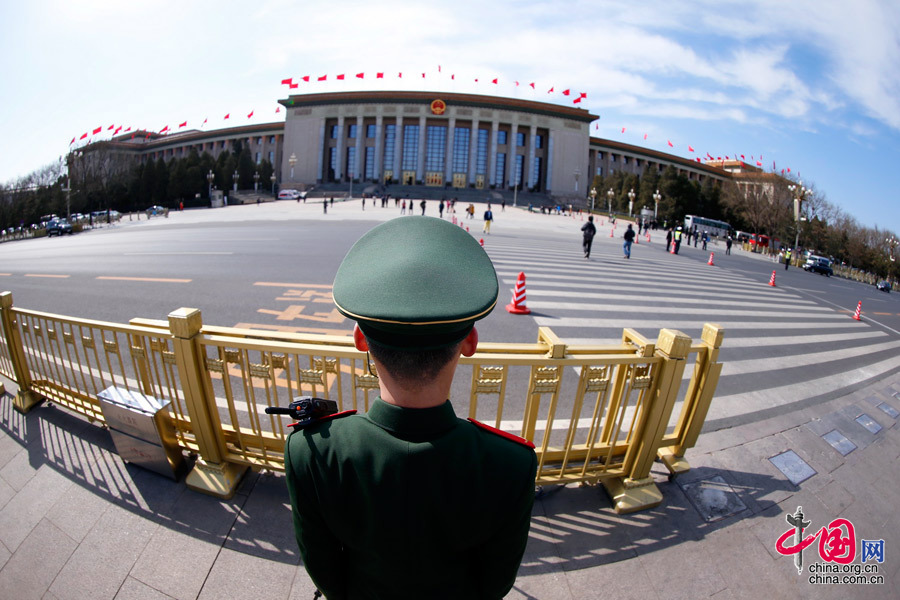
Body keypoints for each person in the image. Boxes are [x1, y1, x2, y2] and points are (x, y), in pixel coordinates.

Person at [284, 217, 537, 599]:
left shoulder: (313, 450)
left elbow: (324, 571)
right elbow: (495, 584)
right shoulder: (511, 463)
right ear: (470, 341)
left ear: (360, 340)